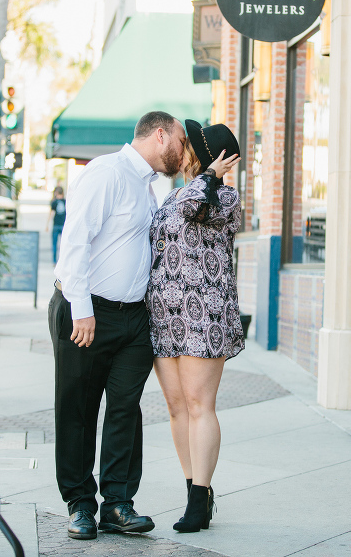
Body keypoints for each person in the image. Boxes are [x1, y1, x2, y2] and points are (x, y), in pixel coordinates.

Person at [49, 110, 187, 541]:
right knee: (79, 410)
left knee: (126, 410)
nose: (183, 153)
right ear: (160, 135)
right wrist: (82, 308)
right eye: (181, 142)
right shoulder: (105, 173)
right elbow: (74, 241)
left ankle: (118, 504)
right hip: (88, 313)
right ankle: (79, 505)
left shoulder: (147, 186)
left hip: (134, 319)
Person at [147, 121, 243, 533]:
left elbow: (193, 209)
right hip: (166, 317)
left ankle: (201, 499)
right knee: (176, 407)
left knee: (200, 404)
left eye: (191, 143)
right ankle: (192, 490)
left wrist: (211, 176)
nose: (183, 146)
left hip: (204, 317)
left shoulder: (224, 197)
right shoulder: (179, 192)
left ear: (211, 157)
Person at [46, 186, 67, 263]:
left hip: (56, 225)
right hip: (64, 226)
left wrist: (47, 225)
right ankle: (62, 261)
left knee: (54, 244)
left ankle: (54, 261)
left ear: (56, 193)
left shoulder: (54, 202)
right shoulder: (66, 202)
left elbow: (51, 214)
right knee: (63, 245)